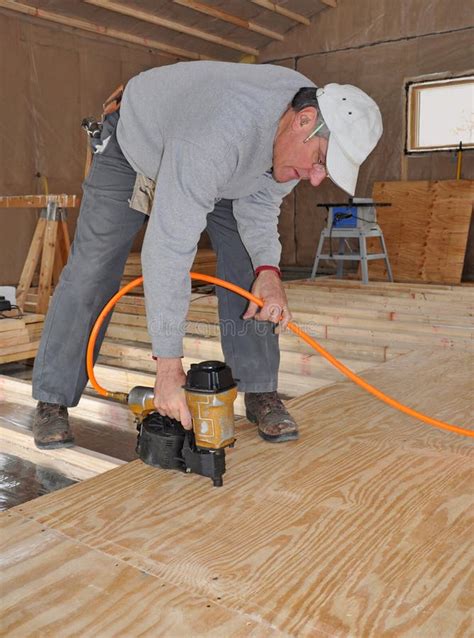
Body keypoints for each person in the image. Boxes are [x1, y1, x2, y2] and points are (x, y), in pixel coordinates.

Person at [31, 61, 382, 449]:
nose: (316, 178)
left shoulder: (294, 132)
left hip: (222, 168)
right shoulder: (219, 131)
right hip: (135, 149)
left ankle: (261, 390)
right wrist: (168, 366)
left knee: (251, 267)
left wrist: (269, 270)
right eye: (319, 160)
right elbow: (168, 246)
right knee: (92, 268)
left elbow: (261, 208)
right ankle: (53, 399)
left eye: (325, 171)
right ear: (304, 120)